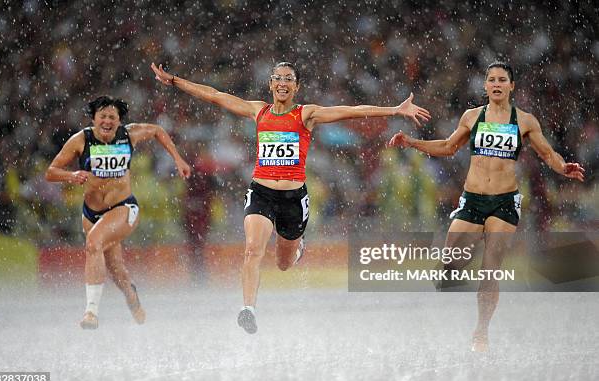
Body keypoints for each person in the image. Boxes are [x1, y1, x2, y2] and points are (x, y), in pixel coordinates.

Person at [151, 61, 431, 334]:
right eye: (278, 78)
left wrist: (394, 109)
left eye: (288, 79)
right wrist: (175, 81)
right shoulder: (258, 112)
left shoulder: (306, 114)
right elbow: (214, 95)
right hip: (261, 193)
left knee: (283, 263)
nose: (282, 83)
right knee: (252, 250)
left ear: (296, 87)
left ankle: (296, 247)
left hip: (293, 198)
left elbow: (350, 111)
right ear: (270, 84)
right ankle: (248, 309)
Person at [388, 61, 585, 352]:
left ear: (511, 86)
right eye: (491, 79)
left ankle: (481, 331)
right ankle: (455, 266)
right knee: (452, 260)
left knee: (491, 269)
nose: (496, 83)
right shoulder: (472, 117)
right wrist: (412, 142)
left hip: (505, 202)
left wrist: (562, 167)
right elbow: (448, 146)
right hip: (473, 199)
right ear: (484, 85)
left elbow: (547, 153)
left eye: (502, 79)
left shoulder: (525, 121)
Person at [45, 96, 191, 329]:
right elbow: (51, 172)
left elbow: (156, 130)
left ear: (119, 121)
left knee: (93, 243)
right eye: (102, 116)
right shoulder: (81, 140)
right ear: (93, 119)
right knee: (115, 269)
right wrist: (71, 176)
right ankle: (131, 295)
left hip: (123, 208)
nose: (107, 121)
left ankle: (91, 313)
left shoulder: (128, 135)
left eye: (112, 117)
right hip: (91, 213)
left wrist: (178, 159)